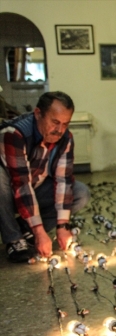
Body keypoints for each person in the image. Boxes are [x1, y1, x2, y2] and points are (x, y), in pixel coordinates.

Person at [0, 91, 90, 262]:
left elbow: (64, 181)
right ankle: (14, 238)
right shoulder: (14, 134)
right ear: (38, 114)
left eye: (65, 124)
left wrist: (63, 226)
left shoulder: (66, 138)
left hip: (35, 188)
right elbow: (21, 185)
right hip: (8, 192)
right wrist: (40, 231)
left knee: (80, 193)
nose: (59, 130)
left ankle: (25, 229)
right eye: (55, 122)